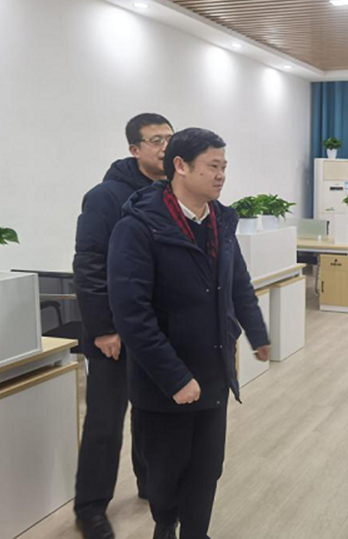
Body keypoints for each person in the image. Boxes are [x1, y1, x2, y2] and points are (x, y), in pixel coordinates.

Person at [107, 127, 270, 539]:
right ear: (180, 166)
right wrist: (175, 378)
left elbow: (236, 283)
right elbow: (131, 313)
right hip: (163, 382)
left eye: (224, 166)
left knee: (207, 469)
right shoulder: (138, 227)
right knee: (165, 475)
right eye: (213, 166)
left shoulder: (220, 221)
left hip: (213, 369)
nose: (221, 175)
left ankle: (196, 532)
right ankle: (166, 526)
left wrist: (257, 332)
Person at [73, 112, 173, 539]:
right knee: (105, 423)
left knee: (152, 414)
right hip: (114, 332)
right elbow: (89, 263)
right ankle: (90, 507)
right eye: (156, 140)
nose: (165, 147)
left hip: (155, 330)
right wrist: (103, 328)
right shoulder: (105, 197)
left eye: (170, 138)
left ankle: (149, 483)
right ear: (135, 149)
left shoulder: (171, 191)